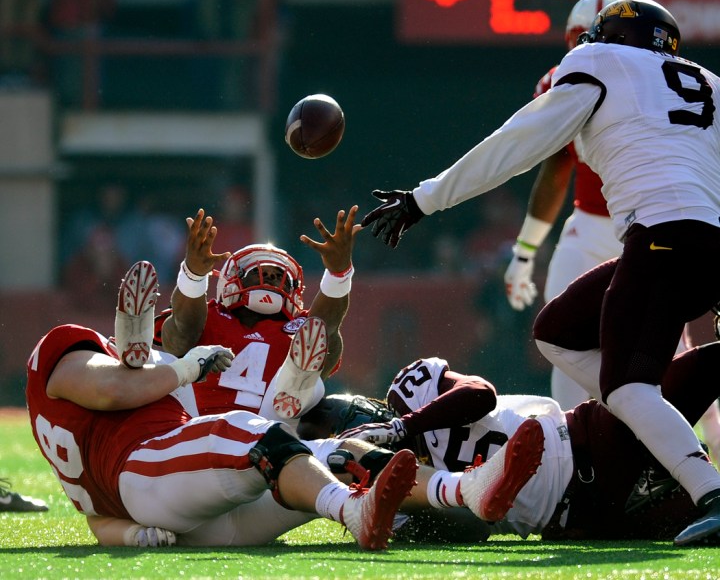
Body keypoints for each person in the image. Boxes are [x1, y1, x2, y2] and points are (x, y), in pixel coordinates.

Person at [359, 0, 720, 546]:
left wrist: (423, 201)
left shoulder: (596, 62)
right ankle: (644, 435)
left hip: (661, 237)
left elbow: (519, 144)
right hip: (701, 240)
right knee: (559, 330)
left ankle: (708, 491)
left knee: (626, 385)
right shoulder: (709, 83)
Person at [26, 260, 419, 550]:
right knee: (252, 431)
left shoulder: (86, 434)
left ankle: (460, 490)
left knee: (333, 454)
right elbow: (113, 390)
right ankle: (352, 509)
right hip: (160, 470)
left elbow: (96, 515)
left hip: (183, 507)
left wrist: (132, 534)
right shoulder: (68, 348)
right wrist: (186, 367)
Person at [301, 342, 720, 542]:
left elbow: (480, 393)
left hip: (596, 443)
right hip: (585, 514)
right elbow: (472, 531)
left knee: (710, 363)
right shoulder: (399, 490)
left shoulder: (410, 398)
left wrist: (405, 427)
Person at [503, 0, 620, 409]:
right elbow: (555, 171)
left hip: (649, 226)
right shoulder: (560, 82)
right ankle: (576, 450)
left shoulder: (653, 84)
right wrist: (525, 251)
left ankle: (699, 450)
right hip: (588, 226)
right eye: (583, 40)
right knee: (557, 334)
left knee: (664, 351)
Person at [158, 206, 360, 423]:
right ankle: (129, 343)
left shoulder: (301, 325)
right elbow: (179, 337)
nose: (271, 276)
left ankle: (296, 382)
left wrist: (338, 275)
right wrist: (194, 275)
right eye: (258, 271)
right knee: (169, 351)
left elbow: (326, 327)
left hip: (270, 430)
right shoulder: (208, 314)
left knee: (323, 338)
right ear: (233, 280)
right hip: (198, 421)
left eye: (279, 275)